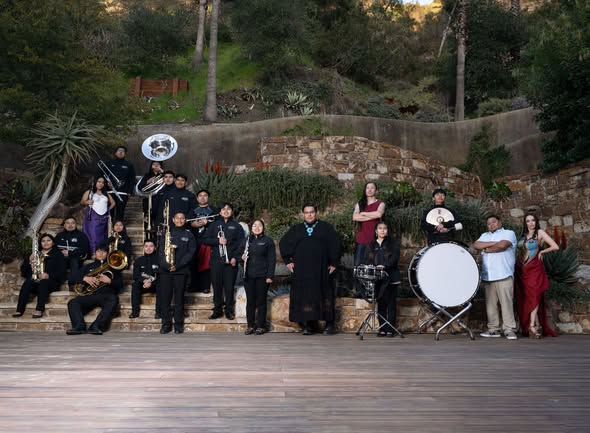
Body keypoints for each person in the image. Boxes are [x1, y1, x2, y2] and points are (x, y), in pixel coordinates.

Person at [279, 204, 341, 336]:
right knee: (306, 296)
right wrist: (288, 261)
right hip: (303, 271)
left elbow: (335, 244)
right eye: (306, 212)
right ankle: (308, 325)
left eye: (312, 212)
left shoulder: (326, 228)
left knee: (325, 294)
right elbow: (283, 243)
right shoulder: (296, 229)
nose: (309, 215)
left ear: (316, 213)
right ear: (303, 214)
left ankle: (329, 325)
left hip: (322, 269)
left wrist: (334, 263)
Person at [473, 215, 518, 340]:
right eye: (488, 223)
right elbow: (476, 245)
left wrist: (486, 249)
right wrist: (494, 243)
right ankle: (493, 329)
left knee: (506, 303)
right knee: (490, 305)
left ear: (500, 222)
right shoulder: (484, 235)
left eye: (493, 222)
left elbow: (503, 245)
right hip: (489, 275)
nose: (491, 224)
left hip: (504, 274)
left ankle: (509, 329)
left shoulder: (508, 233)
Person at [514, 213, 559, 338]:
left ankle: (532, 326)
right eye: (528, 221)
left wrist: (542, 251)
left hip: (534, 269)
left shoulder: (540, 233)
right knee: (524, 297)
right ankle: (527, 325)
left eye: (533, 220)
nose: (531, 223)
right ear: (525, 223)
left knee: (534, 295)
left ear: (536, 221)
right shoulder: (523, 235)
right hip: (521, 270)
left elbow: (555, 246)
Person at [66, 242, 122, 335]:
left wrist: (109, 281)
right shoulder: (88, 267)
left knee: (114, 299)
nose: (101, 254)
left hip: (106, 295)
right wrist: (85, 278)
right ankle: (79, 326)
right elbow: (71, 279)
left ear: (108, 254)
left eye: (104, 252)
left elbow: (120, 285)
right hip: (89, 295)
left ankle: (96, 326)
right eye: (98, 251)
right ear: (95, 253)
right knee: (73, 302)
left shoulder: (114, 267)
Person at [204, 203, 245, 321]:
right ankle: (217, 310)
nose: (226, 211)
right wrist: (218, 241)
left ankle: (229, 311)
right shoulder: (214, 225)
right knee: (216, 287)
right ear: (220, 212)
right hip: (216, 261)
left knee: (229, 288)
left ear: (232, 211)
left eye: (228, 209)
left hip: (231, 262)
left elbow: (241, 244)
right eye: (223, 209)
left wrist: (235, 258)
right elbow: (205, 240)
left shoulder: (237, 226)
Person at [158, 212, 196, 334]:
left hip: (181, 271)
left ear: (185, 220)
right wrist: (166, 265)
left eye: (182, 218)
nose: (180, 220)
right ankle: (166, 324)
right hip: (166, 271)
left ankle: (178, 325)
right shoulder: (166, 234)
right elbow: (160, 252)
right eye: (177, 218)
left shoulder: (189, 235)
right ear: (173, 220)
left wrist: (178, 266)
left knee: (179, 299)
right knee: (165, 299)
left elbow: (191, 253)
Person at [13, 233, 66, 319]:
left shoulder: (58, 255)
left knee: (44, 282)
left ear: (53, 243)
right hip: (35, 282)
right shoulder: (34, 254)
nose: (46, 243)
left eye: (48, 240)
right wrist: (29, 262)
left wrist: (48, 275)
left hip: (50, 283)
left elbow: (62, 272)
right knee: (27, 282)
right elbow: (23, 272)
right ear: (40, 243)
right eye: (43, 241)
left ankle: (39, 309)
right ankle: (19, 309)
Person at [363, 222, 401, 337]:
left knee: (391, 303)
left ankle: (390, 329)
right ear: (376, 231)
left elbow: (394, 259)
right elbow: (367, 259)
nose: (382, 230)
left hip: (391, 277)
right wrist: (372, 266)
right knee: (381, 303)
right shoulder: (371, 244)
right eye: (380, 228)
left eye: (385, 228)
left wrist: (385, 266)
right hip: (377, 278)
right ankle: (382, 328)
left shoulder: (393, 244)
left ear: (387, 230)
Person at [241, 219, 276, 335]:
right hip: (248, 276)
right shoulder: (247, 241)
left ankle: (261, 326)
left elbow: (272, 260)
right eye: (254, 225)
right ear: (251, 228)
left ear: (263, 227)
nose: (257, 227)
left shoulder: (268, 241)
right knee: (250, 302)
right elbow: (239, 255)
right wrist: (241, 258)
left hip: (262, 276)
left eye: (259, 225)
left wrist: (269, 276)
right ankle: (250, 326)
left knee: (261, 301)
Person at [352, 182, 385, 296]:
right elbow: (355, 217)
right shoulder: (359, 203)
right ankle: (359, 292)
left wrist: (364, 213)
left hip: (375, 239)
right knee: (358, 265)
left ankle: (372, 292)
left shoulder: (380, 203)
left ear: (376, 190)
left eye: (372, 188)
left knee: (373, 265)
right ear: (365, 190)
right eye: (367, 188)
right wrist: (371, 215)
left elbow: (378, 215)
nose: (370, 190)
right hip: (362, 238)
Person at [188, 189, 218, 293]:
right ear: (197, 198)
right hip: (194, 240)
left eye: (205, 195)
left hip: (208, 241)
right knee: (194, 263)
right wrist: (192, 224)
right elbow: (186, 222)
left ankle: (205, 286)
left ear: (208, 198)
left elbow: (218, 224)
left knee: (206, 263)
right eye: (200, 196)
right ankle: (194, 285)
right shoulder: (192, 210)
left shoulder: (214, 210)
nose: (202, 197)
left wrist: (207, 223)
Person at [81, 176, 116, 255]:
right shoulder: (89, 192)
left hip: (104, 218)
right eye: (99, 182)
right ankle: (93, 253)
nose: (101, 184)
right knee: (93, 235)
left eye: (103, 182)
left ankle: (101, 253)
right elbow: (82, 202)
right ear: (95, 182)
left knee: (103, 235)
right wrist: (87, 202)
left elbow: (113, 203)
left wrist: (107, 210)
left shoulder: (105, 193)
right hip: (93, 216)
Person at [102, 145, 136, 222]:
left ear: (125, 154)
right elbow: (103, 175)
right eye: (119, 151)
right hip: (110, 192)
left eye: (123, 151)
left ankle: (119, 228)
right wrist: (106, 184)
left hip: (123, 192)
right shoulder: (109, 163)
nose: (121, 152)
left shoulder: (129, 165)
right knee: (109, 212)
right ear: (115, 153)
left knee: (120, 212)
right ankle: (109, 227)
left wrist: (129, 191)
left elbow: (132, 179)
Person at [55, 216, 89, 291]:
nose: (70, 225)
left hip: (76, 258)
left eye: (72, 223)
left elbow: (84, 249)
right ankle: (57, 284)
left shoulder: (81, 235)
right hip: (62, 258)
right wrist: (61, 253)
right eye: (68, 223)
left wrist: (70, 253)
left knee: (74, 261)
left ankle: (72, 284)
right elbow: (54, 249)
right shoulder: (59, 236)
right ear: (64, 225)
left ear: (76, 225)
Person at [129, 239, 161, 319]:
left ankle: (159, 312)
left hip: (155, 284)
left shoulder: (160, 260)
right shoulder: (139, 260)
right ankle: (135, 312)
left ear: (155, 248)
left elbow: (161, 275)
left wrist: (150, 281)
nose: (148, 248)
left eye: (151, 246)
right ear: (143, 248)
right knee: (135, 284)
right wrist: (144, 281)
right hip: (143, 284)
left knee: (161, 285)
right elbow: (135, 276)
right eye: (146, 246)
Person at [136, 160, 164, 238]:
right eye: (154, 164)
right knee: (147, 222)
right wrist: (148, 181)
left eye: (158, 164)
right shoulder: (147, 175)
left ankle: (157, 240)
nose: (156, 165)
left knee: (158, 222)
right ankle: (147, 239)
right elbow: (140, 187)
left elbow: (169, 181)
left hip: (159, 200)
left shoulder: (164, 175)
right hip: (148, 200)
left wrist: (162, 172)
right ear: (151, 165)